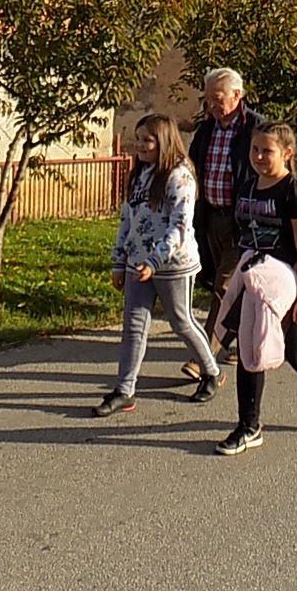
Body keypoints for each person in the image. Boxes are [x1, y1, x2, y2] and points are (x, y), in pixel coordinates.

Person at [213, 123, 297, 455]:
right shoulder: (247, 187)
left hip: (289, 281)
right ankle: (249, 425)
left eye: (267, 151)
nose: (259, 156)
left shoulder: (295, 192)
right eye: (255, 150)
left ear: (287, 154)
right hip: (256, 280)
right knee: (249, 349)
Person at [96, 114, 223, 416]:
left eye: (147, 140)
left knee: (181, 322)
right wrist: (119, 262)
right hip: (137, 264)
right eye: (138, 139)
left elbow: (179, 226)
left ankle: (211, 372)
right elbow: (127, 221)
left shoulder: (179, 176)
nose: (140, 145)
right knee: (134, 327)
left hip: (172, 265)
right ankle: (125, 390)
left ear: (163, 141)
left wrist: (155, 261)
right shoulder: (139, 175)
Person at [186, 68, 264, 355]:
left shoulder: (255, 128)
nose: (211, 106)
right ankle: (242, 341)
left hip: (241, 221)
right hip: (209, 219)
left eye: (217, 99)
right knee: (225, 286)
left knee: (224, 288)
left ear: (236, 95)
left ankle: (205, 357)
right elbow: (192, 168)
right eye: (208, 100)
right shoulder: (207, 128)